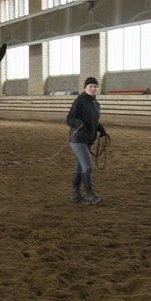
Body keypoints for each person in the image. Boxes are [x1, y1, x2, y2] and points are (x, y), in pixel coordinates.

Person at [66, 76, 108, 205]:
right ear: (85, 88)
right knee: (87, 167)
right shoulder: (79, 101)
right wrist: (78, 122)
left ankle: (75, 195)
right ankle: (90, 195)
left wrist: (101, 130)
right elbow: (69, 118)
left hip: (88, 139)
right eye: (91, 86)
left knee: (79, 168)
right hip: (78, 138)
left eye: (95, 87)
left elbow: (94, 121)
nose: (93, 88)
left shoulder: (95, 103)